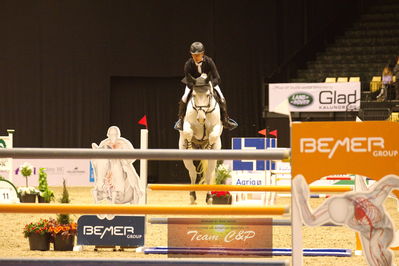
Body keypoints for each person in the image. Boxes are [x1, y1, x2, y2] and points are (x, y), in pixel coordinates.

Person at [293, 174, 399, 266]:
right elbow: (311, 220)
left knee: (375, 248)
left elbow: (389, 181)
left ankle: (385, 258)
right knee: (374, 261)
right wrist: (301, 198)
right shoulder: (331, 207)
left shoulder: (371, 198)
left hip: (384, 228)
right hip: (366, 234)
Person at [174, 41, 238, 131]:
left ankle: (225, 119)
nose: (196, 57)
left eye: (198, 55)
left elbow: (217, 78)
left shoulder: (209, 61)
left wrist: (210, 85)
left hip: (209, 83)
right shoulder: (188, 64)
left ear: (202, 53)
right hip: (194, 85)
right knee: (184, 97)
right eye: (194, 55)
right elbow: (188, 80)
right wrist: (195, 86)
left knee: (222, 97)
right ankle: (180, 120)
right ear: (191, 54)